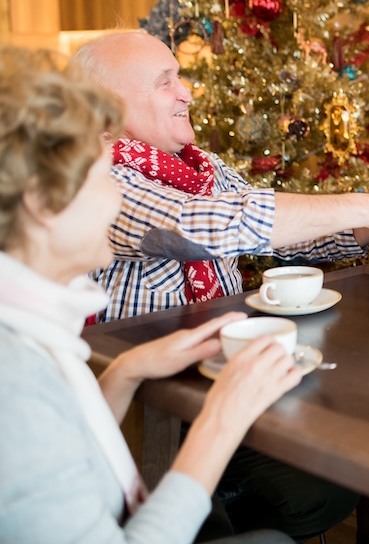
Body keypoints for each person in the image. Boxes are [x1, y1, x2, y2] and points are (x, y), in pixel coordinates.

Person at [71, 31, 369, 540]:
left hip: (221, 376)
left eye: (179, 76)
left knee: (338, 477)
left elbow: (281, 236)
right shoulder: (99, 174)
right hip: (147, 407)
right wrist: (362, 203)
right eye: (166, 82)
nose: (187, 92)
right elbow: (197, 229)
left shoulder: (198, 168)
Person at [0, 45, 297, 543]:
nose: (117, 196)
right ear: (41, 205)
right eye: (101, 178)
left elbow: (66, 446)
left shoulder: (33, 327)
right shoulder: (15, 378)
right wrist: (222, 419)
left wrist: (125, 370)